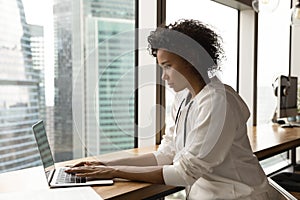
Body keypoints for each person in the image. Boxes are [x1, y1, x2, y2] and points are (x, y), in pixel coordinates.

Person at [66, 19, 284, 199]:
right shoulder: (183, 99)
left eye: (168, 66)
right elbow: (166, 155)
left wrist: (112, 172)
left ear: (193, 59)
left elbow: (184, 173)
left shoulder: (219, 102)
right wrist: (102, 163)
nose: (164, 76)